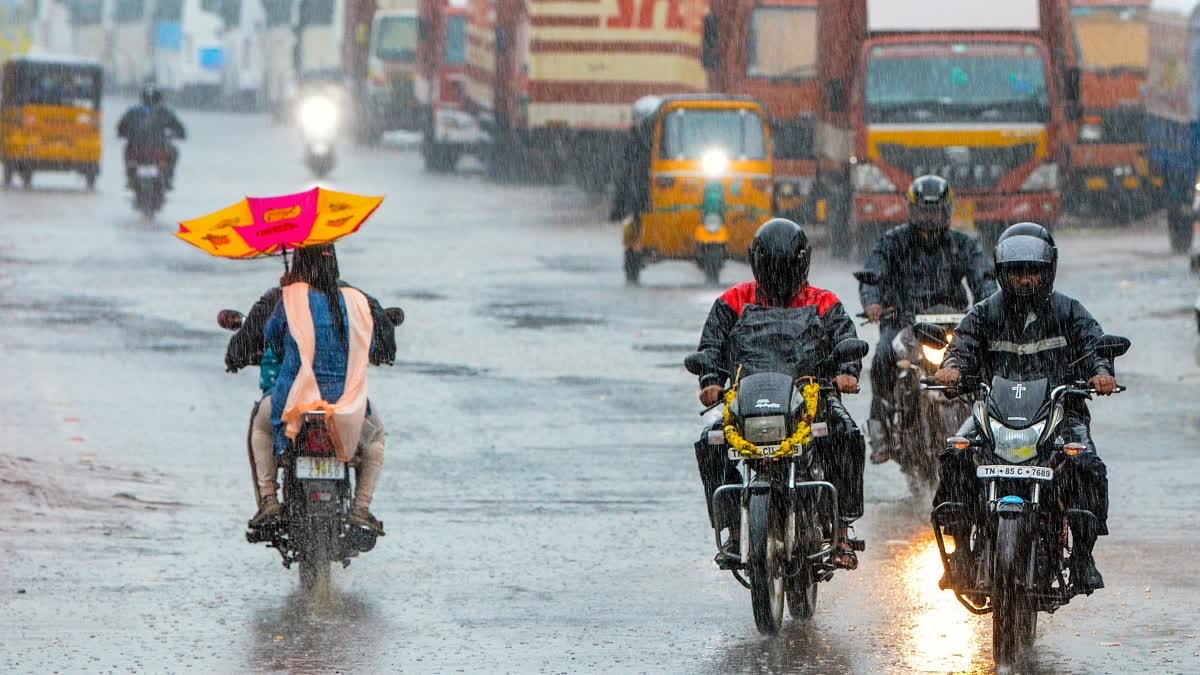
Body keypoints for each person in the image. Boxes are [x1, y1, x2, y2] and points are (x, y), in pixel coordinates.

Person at [931, 222, 1118, 591]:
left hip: (1060, 414)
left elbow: (1095, 346)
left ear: (1048, 271)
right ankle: (961, 554)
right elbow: (962, 345)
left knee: (1086, 464)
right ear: (1003, 274)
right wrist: (951, 368)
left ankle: (1082, 556)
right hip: (994, 414)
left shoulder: (1069, 310)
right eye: (1017, 272)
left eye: (1033, 271)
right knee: (956, 453)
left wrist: (1101, 372)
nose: (1025, 281)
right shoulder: (985, 313)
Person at [693, 218, 867, 570]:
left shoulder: (823, 301)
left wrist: (846, 372)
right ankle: (734, 528)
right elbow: (710, 345)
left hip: (811, 396)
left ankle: (842, 525)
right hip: (750, 401)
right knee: (709, 441)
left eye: (785, 266)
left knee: (846, 434)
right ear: (757, 263)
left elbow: (845, 338)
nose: (778, 274)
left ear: (801, 263)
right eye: (771, 266)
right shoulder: (733, 300)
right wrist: (710, 379)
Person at [246, 245, 395, 534]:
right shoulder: (356, 300)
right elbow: (379, 348)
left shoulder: (288, 299)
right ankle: (361, 507)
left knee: (260, 426)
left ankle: (268, 499)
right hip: (346, 407)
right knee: (375, 437)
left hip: (293, 403)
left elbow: (273, 344)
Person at [859, 175, 997, 464]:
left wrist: (988, 303)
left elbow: (983, 276)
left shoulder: (963, 244)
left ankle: (994, 424)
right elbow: (873, 273)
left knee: (989, 360)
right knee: (883, 356)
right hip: (904, 322)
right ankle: (880, 428)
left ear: (947, 211)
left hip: (954, 324)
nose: (930, 217)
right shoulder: (893, 241)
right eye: (924, 210)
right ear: (912, 209)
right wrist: (872, 301)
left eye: (935, 211)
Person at [116, 84, 186, 190]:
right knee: (174, 152)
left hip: (137, 147)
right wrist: (176, 135)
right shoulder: (165, 112)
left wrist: (126, 134)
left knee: (127, 152)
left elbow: (120, 128)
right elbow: (180, 129)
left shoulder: (133, 111)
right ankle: (168, 178)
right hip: (159, 147)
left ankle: (130, 178)